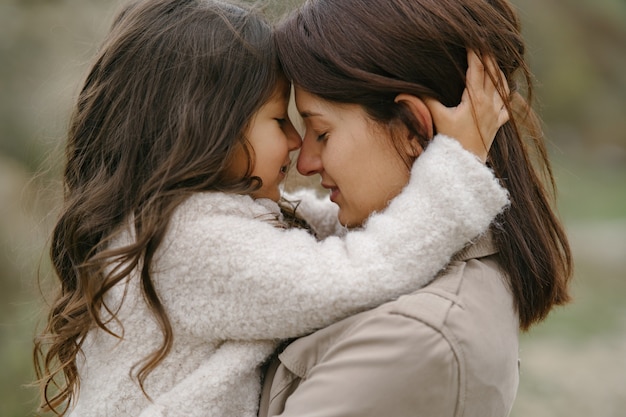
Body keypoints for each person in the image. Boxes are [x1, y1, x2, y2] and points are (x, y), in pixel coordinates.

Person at [32, 0, 511, 416]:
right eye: (280, 120)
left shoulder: (190, 220)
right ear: (207, 129)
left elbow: (311, 225)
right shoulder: (193, 244)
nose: (296, 144)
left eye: (316, 130)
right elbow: (358, 271)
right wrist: (456, 166)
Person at [258, 0, 574, 416]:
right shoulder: (403, 277)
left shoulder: (416, 338)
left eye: (322, 132)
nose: (305, 163)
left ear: (412, 126)